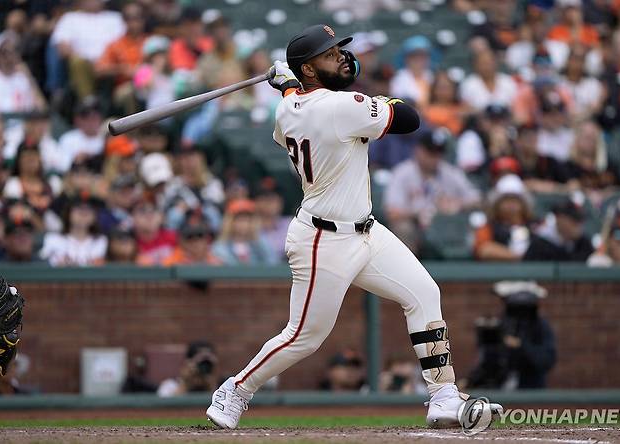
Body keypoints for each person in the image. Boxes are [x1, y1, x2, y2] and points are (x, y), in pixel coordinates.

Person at [205, 24, 502, 430]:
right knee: (305, 336)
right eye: (330, 55)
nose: (342, 58)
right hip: (322, 240)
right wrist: (370, 96)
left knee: (423, 293)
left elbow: (297, 111)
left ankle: (443, 395)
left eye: (339, 51)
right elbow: (409, 118)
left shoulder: (286, 109)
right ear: (308, 70)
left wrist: (290, 88)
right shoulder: (339, 106)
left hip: (366, 230)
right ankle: (235, 389)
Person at [384, 128, 481, 234]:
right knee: (404, 228)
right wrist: (418, 213)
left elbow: (477, 199)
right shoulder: (402, 173)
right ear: (418, 150)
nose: (435, 157)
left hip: (446, 225)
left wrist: (458, 204)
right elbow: (392, 213)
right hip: (417, 227)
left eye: (439, 152)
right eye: (431, 152)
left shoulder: (450, 172)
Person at [50, 0, 126, 99]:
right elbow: (62, 48)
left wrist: (104, 63)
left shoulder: (115, 18)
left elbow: (126, 42)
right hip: (84, 65)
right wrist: (91, 63)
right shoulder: (69, 18)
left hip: (112, 65)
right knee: (77, 61)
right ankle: (88, 102)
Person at [474, 174, 534, 261]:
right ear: (497, 205)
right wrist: (521, 257)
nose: (511, 205)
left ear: (523, 204)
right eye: (506, 200)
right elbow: (483, 250)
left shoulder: (536, 225)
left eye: (514, 200)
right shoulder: (488, 227)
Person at [39, 194, 107, 266]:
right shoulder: (53, 238)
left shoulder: (101, 240)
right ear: (68, 213)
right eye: (79, 209)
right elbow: (40, 262)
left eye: (89, 209)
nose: (84, 213)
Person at [523, 198, 594, 261]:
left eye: (580, 220)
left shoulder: (583, 243)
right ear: (559, 219)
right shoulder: (539, 245)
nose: (578, 225)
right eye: (574, 220)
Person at [212, 199, 275, 265]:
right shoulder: (220, 246)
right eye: (239, 219)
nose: (243, 224)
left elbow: (272, 262)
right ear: (230, 222)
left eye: (247, 220)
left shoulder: (260, 243)